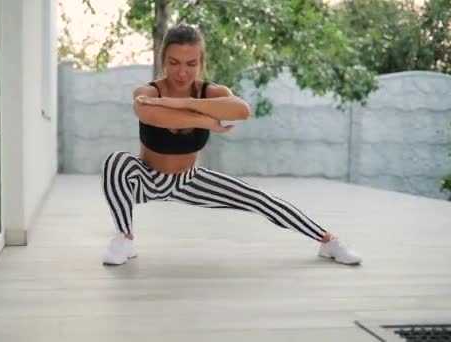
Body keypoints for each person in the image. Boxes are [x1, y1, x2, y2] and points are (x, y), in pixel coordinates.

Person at [101, 23, 361, 266]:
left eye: (191, 64)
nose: (182, 72)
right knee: (116, 163)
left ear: (201, 62)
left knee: (260, 198)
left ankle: (328, 241)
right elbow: (150, 114)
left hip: (188, 181)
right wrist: (208, 119)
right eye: (174, 62)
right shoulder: (148, 92)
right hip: (146, 178)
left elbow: (241, 110)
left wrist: (182, 102)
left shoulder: (211, 91)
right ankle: (125, 238)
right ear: (163, 61)